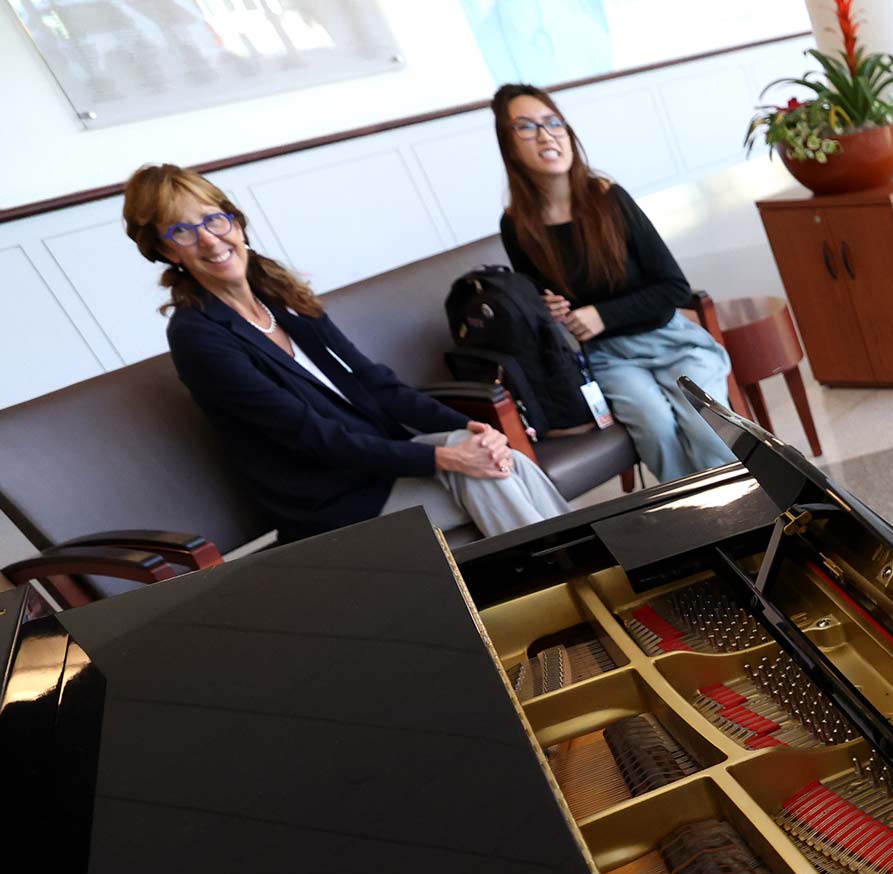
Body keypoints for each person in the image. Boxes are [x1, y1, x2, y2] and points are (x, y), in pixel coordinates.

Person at [123, 164, 569, 545]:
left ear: (236, 223)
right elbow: (310, 436)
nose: (209, 240)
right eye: (183, 231)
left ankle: (583, 567)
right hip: (332, 502)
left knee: (497, 457)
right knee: (485, 470)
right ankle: (579, 577)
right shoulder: (199, 336)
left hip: (381, 466)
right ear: (165, 251)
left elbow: (378, 383)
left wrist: (471, 427)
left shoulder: (278, 295)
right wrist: (445, 457)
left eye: (214, 220)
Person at [492, 83, 735, 483]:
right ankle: (703, 520)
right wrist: (547, 307)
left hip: (670, 339)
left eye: (553, 122)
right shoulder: (516, 224)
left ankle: (744, 514)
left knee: (703, 425)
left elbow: (673, 288)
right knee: (655, 428)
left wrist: (601, 315)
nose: (546, 133)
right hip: (610, 358)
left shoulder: (607, 198)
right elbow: (537, 298)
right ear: (509, 144)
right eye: (526, 126)